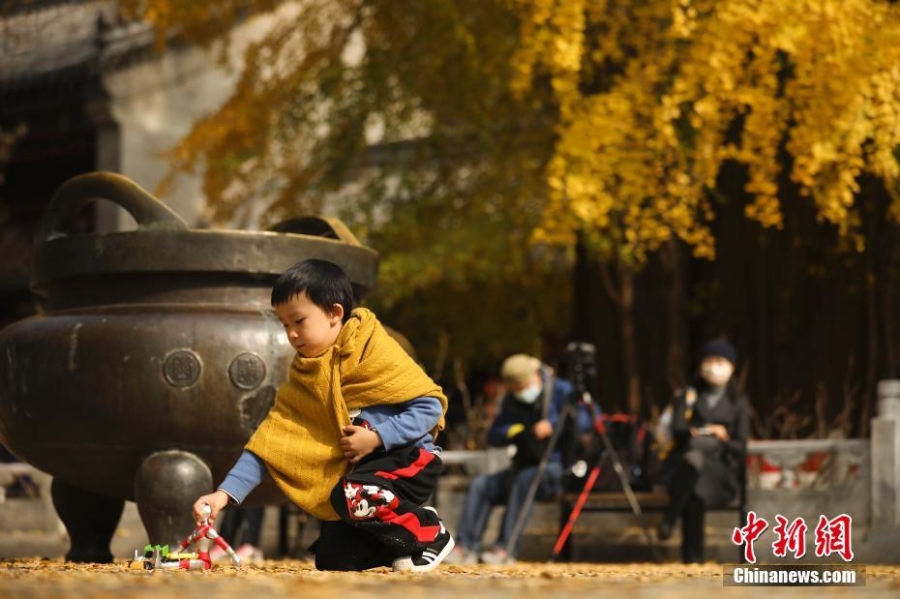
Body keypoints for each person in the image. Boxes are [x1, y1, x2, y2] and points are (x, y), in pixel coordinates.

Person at [193, 259, 453, 572]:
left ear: (334, 313)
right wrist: (223, 495)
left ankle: (430, 533)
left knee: (351, 494)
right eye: (284, 325)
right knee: (333, 558)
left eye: (298, 321)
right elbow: (271, 442)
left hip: (409, 460)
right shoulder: (305, 376)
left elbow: (430, 407)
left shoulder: (373, 348)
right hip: (363, 477)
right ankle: (404, 541)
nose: (291, 334)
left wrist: (377, 437)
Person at [444, 353, 591, 565]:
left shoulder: (562, 391)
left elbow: (586, 422)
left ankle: (505, 549)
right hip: (524, 466)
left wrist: (554, 425)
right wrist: (518, 431)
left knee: (526, 478)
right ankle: (464, 547)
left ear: (534, 375)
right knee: (481, 485)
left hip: (556, 468)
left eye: (522, 385)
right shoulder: (513, 400)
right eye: (515, 388)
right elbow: (495, 434)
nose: (521, 392)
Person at [657, 338, 750, 563]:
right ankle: (692, 559)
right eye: (709, 360)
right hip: (684, 469)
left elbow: (741, 446)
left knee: (695, 469)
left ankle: (672, 522)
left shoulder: (738, 403)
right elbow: (678, 429)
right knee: (695, 476)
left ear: (731, 366)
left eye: (720, 360)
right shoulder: (687, 397)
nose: (714, 366)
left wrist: (721, 438)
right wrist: (709, 430)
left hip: (721, 473)